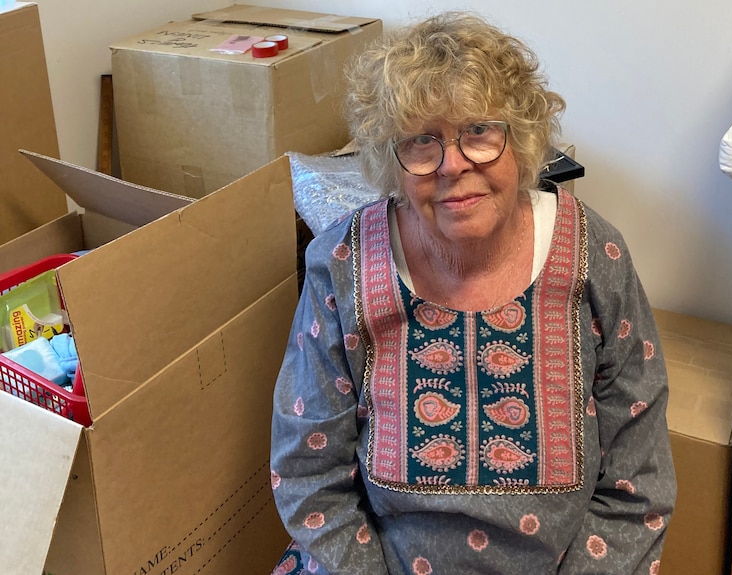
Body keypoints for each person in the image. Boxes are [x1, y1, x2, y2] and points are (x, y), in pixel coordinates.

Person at [270, 11, 676, 575]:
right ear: (392, 160)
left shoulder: (596, 255)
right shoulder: (343, 263)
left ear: (523, 138)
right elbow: (309, 475)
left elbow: (639, 483)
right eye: (421, 141)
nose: (453, 165)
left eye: (479, 132)